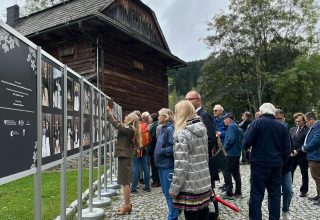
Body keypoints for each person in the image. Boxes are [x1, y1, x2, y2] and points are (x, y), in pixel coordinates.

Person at [243, 103, 291, 220]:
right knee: (275, 195)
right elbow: (287, 150)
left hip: (259, 165)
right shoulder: (282, 127)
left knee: (256, 195)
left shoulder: (257, 123)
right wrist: (280, 162)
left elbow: (245, 143)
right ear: (274, 112)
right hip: (276, 165)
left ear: (261, 111)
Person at [169, 100, 212, 220]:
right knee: (204, 214)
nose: (174, 114)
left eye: (176, 111)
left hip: (190, 186)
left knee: (192, 217)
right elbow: (205, 157)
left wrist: (174, 190)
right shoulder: (202, 130)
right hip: (203, 182)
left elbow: (181, 166)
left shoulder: (182, 134)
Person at [185, 90, 219, 219]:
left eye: (190, 99)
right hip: (195, 165)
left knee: (207, 193)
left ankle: (213, 215)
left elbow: (211, 139)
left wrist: (199, 154)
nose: (187, 102)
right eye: (186, 99)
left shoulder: (204, 116)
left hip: (203, 162)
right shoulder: (192, 116)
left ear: (198, 100)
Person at [106, 106, 140, 215]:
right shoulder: (129, 128)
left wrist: (109, 113)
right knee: (125, 183)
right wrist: (111, 114)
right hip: (124, 156)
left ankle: (127, 205)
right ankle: (127, 205)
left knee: (125, 183)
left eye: (128, 116)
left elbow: (117, 125)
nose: (125, 116)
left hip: (125, 157)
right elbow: (119, 123)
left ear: (131, 120)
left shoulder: (130, 129)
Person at [154, 108, 179, 220]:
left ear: (165, 116)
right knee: (165, 192)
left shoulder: (170, 129)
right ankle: (173, 213)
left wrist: (162, 151)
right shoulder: (162, 128)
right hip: (161, 164)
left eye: (160, 115)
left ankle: (173, 217)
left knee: (170, 193)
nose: (158, 117)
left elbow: (174, 147)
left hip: (167, 165)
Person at [297, 112, 320, 206]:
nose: (306, 124)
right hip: (313, 155)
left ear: (311, 120)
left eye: (306, 121)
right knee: (316, 177)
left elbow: (316, 141)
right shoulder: (315, 126)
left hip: (316, 156)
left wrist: (304, 148)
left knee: (318, 178)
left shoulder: (317, 127)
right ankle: (319, 195)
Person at [221, 113, 242, 200]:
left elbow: (231, 139)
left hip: (231, 154)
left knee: (226, 172)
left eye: (224, 119)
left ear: (229, 119)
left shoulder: (231, 126)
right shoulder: (236, 126)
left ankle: (229, 193)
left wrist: (224, 149)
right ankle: (238, 192)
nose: (223, 121)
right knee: (236, 172)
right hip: (236, 153)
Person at [289, 113, 309, 197]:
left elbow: (306, 144)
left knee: (304, 173)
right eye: (296, 121)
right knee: (290, 172)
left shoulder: (308, 130)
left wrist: (297, 151)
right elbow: (290, 141)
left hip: (302, 155)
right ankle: (288, 189)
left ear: (304, 121)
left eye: (299, 121)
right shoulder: (292, 129)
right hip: (292, 155)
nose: (297, 122)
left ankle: (304, 190)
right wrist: (290, 151)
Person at [131, 111, 151, 193]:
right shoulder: (145, 125)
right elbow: (149, 138)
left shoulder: (133, 127)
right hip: (144, 149)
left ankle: (134, 188)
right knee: (145, 168)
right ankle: (147, 186)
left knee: (135, 168)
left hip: (135, 149)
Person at [149, 112, 161, 187]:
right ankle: (156, 180)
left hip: (153, 148)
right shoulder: (157, 124)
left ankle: (156, 181)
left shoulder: (154, 125)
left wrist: (149, 149)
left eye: (150, 117)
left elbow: (152, 138)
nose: (149, 119)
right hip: (156, 147)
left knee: (154, 165)